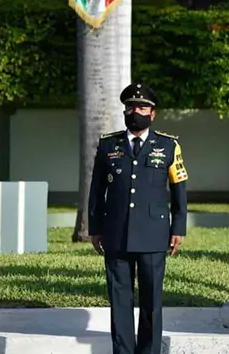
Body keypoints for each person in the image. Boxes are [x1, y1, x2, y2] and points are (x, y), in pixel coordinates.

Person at [88, 82, 189, 354]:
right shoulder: (108, 145)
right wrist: (95, 228)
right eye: (131, 107)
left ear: (153, 113)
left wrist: (178, 228)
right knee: (119, 301)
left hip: (154, 235)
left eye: (143, 107)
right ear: (124, 111)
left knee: (151, 303)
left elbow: (179, 191)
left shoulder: (169, 146)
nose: (136, 111)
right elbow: (97, 191)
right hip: (116, 235)